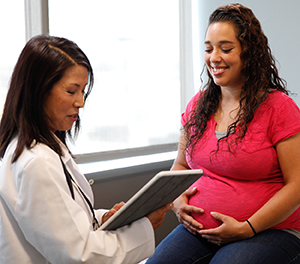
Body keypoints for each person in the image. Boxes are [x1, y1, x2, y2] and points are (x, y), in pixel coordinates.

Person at [146, 3, 300, 264]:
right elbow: (181, 165)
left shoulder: (279, 108)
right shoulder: (198, 105)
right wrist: (177, 200)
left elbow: (297, 185)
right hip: (199, 230)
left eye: (226, 48)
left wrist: (248, 227)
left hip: (271, 231)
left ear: (248, 53)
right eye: (208, 49)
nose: (214, 57)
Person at [0, 35, 172, 264]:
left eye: (83, 91)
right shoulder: (36, 162)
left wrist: (103, 219)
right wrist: (144, 227)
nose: (80, 102)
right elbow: (79, 256)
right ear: (38, 91)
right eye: (71, 91)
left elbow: (62, 226)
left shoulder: (36, 147)